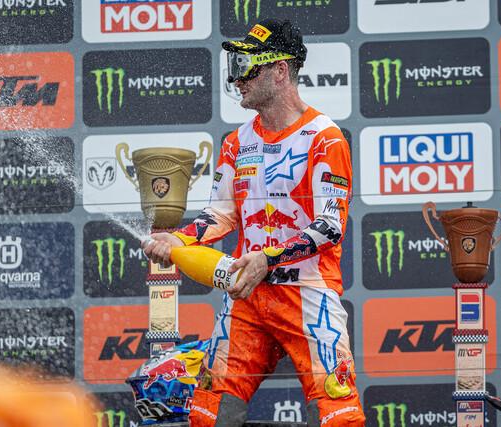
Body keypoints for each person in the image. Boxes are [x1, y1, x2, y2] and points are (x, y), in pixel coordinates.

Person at [143, 18, 366, 427]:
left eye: (247, 67)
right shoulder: (236, 142)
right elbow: (219, 214)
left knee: (338, 414)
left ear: (280, 71)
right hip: (246, 294)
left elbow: (330, 226)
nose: (237, 79)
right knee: (211, 411)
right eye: (236, 67)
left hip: (307, 295)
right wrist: (178, 239)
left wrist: (268, 258)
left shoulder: (325, 138)